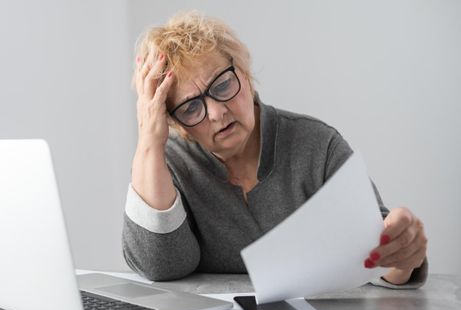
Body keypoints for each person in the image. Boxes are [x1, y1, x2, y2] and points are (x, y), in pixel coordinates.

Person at [122, 11, 428, 288]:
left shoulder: (317, 145)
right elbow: (161, 265)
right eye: (190, 108)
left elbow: (382, 260)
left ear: (243, 71)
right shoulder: (169, 164)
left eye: (222, 85)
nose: (216, 113)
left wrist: (403, 252)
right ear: (175, 122)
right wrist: (149, 143)